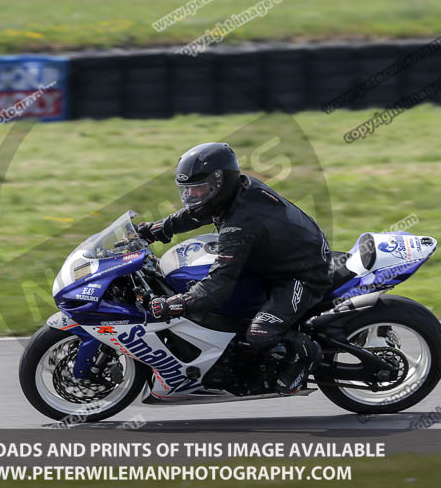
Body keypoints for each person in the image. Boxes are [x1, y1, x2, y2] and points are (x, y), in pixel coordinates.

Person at [137, 142, 332, 395]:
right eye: (187, 191)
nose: (191, 197)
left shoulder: (240, 222)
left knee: (261, 332)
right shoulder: (233, 194)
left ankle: (306, 353)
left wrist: (177, 303)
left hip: (302, 273)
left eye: (199, 190)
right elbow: (196, 214)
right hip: (271, 261)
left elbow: (219, 285)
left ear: (221, 182)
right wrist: (158, 230)